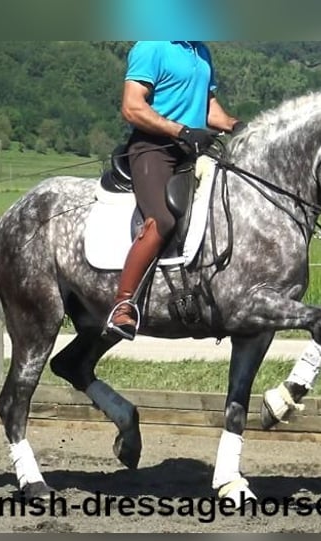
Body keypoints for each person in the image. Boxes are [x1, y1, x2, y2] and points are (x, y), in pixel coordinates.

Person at [105, 41, 247, 341]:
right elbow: (132, 106)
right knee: (163, 219)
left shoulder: (201, 52)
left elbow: (209, 109)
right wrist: (179, 130)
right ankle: (123, 305)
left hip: (192, 150)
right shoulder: (151, 47)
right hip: (153, 149)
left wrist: (237, 126)